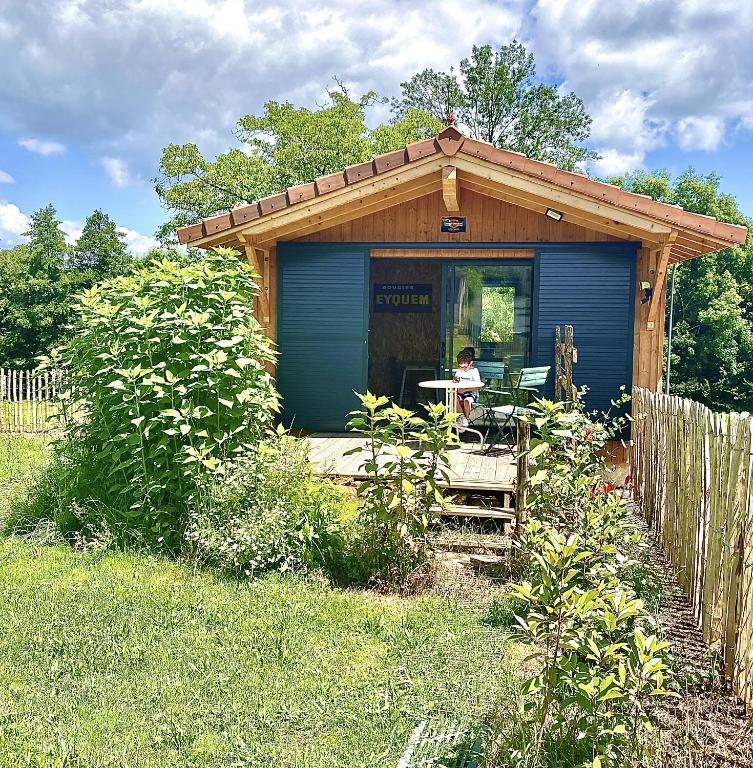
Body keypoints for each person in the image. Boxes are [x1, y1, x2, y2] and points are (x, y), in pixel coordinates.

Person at [452, 349, 481, 427]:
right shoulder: (459, 371)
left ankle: (466, 420)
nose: (463, 367)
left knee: (466, 401)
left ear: (470, 363)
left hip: (471, 393)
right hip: (460, 393)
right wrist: (455, 380)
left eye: (465, 365)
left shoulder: (474, 371)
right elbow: (456, 379)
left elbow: (478, 387)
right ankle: (462, 418)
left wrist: (464, 390)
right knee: (454, 397)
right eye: (460, 365)